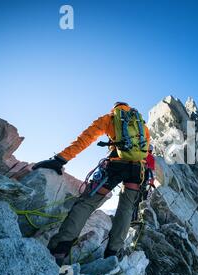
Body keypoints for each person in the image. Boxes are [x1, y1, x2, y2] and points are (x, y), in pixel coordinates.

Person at [33, 102, 150, 265]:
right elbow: (147, 152)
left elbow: (86, 139)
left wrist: (60, 159)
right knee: (126, 208)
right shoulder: (141, 125)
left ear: (115, 109)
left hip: (115, 166)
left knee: (86, 203)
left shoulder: (110, 118)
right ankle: (112, 254)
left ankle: (60, 249)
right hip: (138, 170)